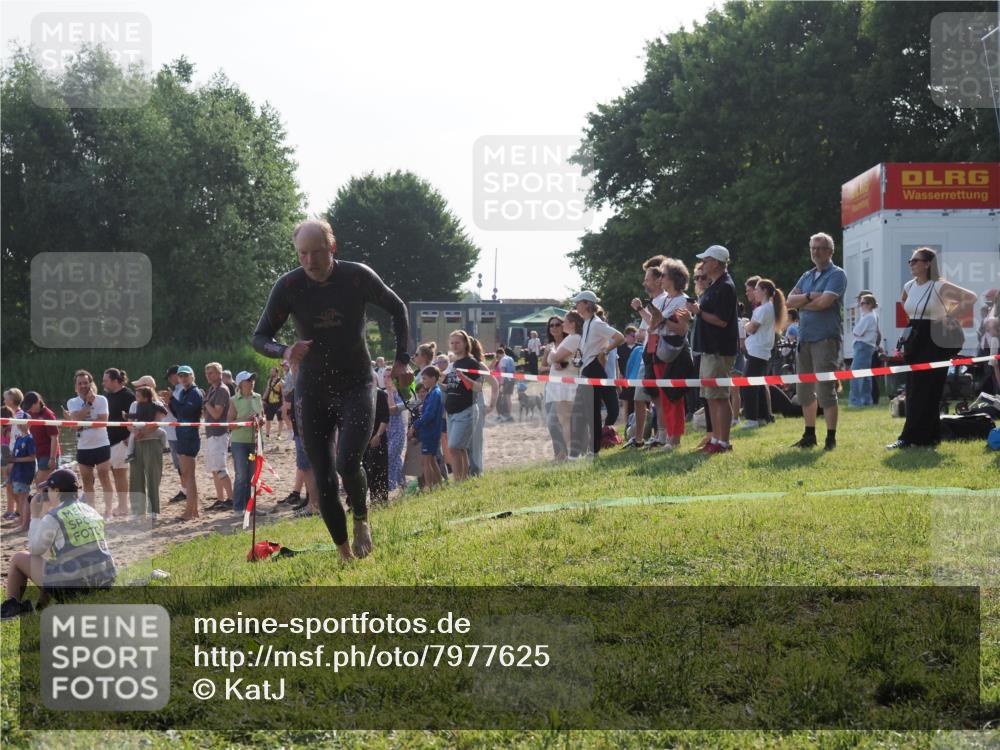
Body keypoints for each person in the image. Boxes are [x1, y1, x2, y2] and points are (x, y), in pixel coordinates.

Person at [252, 218, 409, 561]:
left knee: (347, 462)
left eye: (317, 252)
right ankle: (343, 554)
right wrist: (284, 351)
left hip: (356, 383)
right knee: (322, 478)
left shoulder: (356, 277)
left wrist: (402, 360)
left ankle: (362, 519)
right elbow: (260, 336)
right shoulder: (289, 286)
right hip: (313, 389)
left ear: (332, 248)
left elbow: (398, 308)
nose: (309, 261)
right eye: (302, 254)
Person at [888, 247, 977, 449]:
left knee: (929, 390)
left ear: (928, 264)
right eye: (910, 261)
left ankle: (918, 437)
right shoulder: (909, 286)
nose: (911, 264)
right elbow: (905, 301)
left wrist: (948, 316)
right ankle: (916, 437)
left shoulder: (939, 286)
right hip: (916, 337)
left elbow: (970, 297)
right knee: (913, 389)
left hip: (935, 339)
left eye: (915, 261)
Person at [1, 469, 117, 620]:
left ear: (56, 491)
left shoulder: (54, 516)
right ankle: (40, 607)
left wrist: (35, 517)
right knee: (51, 559)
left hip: (77, 590)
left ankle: (12, 608)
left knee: (19, 558)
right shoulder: (90, 511)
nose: (46, 494)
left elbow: (34, 548)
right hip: (105, 582)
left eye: (47, 490)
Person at [785, 232, 848, 451]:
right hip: (805, 339)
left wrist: (803, 302)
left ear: (830, 252)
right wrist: (811, 296)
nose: (816, 252)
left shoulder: (837, 274)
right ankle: (809, 434)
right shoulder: (807, 275)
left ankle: (830, 438)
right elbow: (788, 301)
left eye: (821, 248)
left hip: (825, 339)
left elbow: (825, 303)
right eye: (813, 248)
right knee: (804, 392)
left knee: (825, 390)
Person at [686, 246, 739, 454]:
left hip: (719, 349)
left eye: (706, 260)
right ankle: (715, 439)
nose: (703, 264)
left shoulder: (725, 286)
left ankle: (723, 442)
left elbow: (722, 321)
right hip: (709, 349)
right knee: (710, 396)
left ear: (716, 263)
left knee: (719, 396)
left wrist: (698, 312)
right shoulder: (716, 285)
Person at [646, 258, 695, 450]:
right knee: (664, 396)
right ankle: (668, 436)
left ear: (674, 277)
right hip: (659, 350)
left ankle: (675, 438)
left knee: (674, 396)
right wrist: (654, 318)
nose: (660, 278)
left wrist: (662, 321)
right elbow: (653, 325)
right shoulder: (665, 299)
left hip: (674, 352)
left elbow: (683, 330)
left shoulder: (683, 300)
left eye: (663, 275)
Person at [568, 291, 625, 457]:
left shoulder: (596, 324)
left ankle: (593, 450)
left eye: (578, 302)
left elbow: (619, 337)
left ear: (586, 304)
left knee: (592, 411)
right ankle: (585, 450)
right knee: (584, 411)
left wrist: (605, 351)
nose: (576, 305)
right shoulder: (587, 323)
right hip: (588, 368)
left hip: (593, 369)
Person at [65, 370, 115, 518]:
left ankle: (108, 510)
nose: (83, 386)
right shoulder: (72, 402)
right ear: (75, 386)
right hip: (83, 446)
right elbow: (75, 424)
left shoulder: (102, 400)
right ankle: (91, 511)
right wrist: (88, 405)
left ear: (90, 383)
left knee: (104, 476)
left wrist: (81, 423)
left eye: (86, 382)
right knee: (87, 482)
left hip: (101, 444)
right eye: (80, 383)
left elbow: (103, 422)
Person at [742, 279, 786, 427]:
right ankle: (761, 417)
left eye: (757, 289)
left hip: (758, 350)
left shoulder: (763, 309)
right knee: (758, 385)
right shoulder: (769, 308)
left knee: (748, 385)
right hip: (761, 350)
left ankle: (751, 419)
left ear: (765, 291)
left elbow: (752, 328)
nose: (754, 292)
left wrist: (745, 324)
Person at [441, 331, 482, 482]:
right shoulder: (454, 364)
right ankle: (463, 481)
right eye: (452, 343)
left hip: (466, 411)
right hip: (452, 414)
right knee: (459, 448)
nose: (454, 345)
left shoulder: (471, 363)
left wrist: (464, 377)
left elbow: (478, 387)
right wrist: (436, 384)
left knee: (453, 448)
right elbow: (451, 387)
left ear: (465, 344)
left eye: (457, 342)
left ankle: (458, 482)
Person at [127, 381, 168, 519]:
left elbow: (157, 423)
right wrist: (134, 431)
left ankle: (153, 510)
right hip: (137, 442)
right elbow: (129, 422)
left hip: (152, 441)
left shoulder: (157, 405)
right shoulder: (135, 404)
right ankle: (137, 510)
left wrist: (142, 432)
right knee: (135, 477)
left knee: (152, 476)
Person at [547, 311, 583, 460]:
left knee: (565, 421)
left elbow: (553, 358)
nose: (562, 325)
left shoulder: (573, 338)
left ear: (572, 324)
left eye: (564, 322)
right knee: (569, 420)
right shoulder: (577, 338)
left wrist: (552, 351)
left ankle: (571, 453)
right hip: (566, 381)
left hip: (563, 384)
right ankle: (572, 452)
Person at [169, 365, 204, 521]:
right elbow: (178, 413)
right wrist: (169, 402)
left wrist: (171, 399)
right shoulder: (184, 392)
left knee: (189, 476)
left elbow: (186, 412)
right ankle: (192, 510)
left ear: (192, 376)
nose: (183, 378)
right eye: (181, 376)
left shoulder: (195, 393)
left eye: (186, 376)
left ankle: (191, 511)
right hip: (183, 435)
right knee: (188, 475)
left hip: (189, 437)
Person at [226, 371, 263, 514]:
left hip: (255, 442)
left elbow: (263, 417)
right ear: (240, 383)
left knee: (253, 476)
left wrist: (260, 420)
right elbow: (229, 424)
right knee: (241, 475)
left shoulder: (258, 397)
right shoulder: (234, 400)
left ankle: (251, 508)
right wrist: (245, 421)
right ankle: (238, 508)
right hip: (239, 443)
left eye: (253, 379)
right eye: (248, 379)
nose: (252, 381)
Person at [102, 368, 135, 517]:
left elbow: (134, 416)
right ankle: (120, 504)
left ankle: (123, 506)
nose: (103, 383)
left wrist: (129, 436)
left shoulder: (128, 395)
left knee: (120, 473)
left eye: (106, 380)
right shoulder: (107, 395)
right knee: (114, 473)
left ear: (115, 381)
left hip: (122, 440)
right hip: (108, 440)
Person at [202, 363, 234, 511]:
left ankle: (231, 499)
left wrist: (206, 402)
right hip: (211, 433)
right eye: (207, 373)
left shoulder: (221, 390)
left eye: (212, 373)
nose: (209, 376)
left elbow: (216, 413)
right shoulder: (212, 389)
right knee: (214, 468)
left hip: (219, 433)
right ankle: (220, 499)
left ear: (220, 374)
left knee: (220, 467)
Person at [409, 366, 444, 489]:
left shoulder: (435, 393)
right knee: (432, 461)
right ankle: (440, 486)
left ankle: (429, 488)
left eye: (425, 378)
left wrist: (415, 425)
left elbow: (429, 415)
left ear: (433, 378)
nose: (423, 381)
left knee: (426, 462)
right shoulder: (433, 392)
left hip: (430, 432)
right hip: (431, 431)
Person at [468, 337, 498, 477]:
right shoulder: (457, 364)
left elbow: (494, 383)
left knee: (476, 441)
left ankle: (477, 471)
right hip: (461, 406)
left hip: (477, 405)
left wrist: (491, 405)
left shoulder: (479, 365)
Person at [19, 392, 60, 491]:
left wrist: (52, 458)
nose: (29, 409)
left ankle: (43, 503)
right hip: (37, 452)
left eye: (31, 406)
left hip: (48, 453)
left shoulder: (48, 415)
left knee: (40, 482)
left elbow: (55, 438)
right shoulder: (30, 413)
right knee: (42, 483)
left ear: (38, 402)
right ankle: (44, 502)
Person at [850, 294, 880, 407]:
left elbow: (857, 332)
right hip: (868, 346)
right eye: (860, 303)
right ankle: (867, 401)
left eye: (862, 303)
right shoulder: (873, 315)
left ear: (870, 304)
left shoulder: (868, 317)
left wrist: (856, 330)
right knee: (866, 375)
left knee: (855, 374)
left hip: (863, 346)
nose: (860, 305)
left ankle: (855, 401)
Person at [363, 383, 390, 503]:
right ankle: (362, 501)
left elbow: (385, 418)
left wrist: (378, 435)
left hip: (377, 437)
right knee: (365, 470)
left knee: (379, 468)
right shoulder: (358, 394)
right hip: (363, 440)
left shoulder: (379, 394)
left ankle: (381, 499)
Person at [8, 419, 35, 533]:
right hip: (17, 472)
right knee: (20, 497)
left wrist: (16, 459)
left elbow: (33, 457)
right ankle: (22, 521)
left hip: (25, 472)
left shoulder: (30, 438)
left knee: (24, 498)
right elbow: (14, 456)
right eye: (18, 422)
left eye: (22, 422)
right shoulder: (19, 439)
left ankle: (25, 524)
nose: (19, 424)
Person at [383, 369, 408, 492]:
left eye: (389, 376)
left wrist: (389, 391)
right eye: (384, 376)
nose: (386, 379)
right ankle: (403, 485)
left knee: (390, 457)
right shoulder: (381, 393)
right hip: (386, 432)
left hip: (398, 431)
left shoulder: (400, 394)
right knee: (396, 459)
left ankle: (390, 487)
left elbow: (392, 410)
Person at [263, 367, 284, 439]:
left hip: (278, 403)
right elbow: (267, 390)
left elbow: (283, 394)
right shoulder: (270, 380)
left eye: (272, 372)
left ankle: (279, 435)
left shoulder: (281, 382)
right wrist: (263, 399)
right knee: (268, 419)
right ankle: (267, 435)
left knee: (280, 419)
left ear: (277, 373)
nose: (271, 373)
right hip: (270, 403)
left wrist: (283, 404)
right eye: (271, 371)